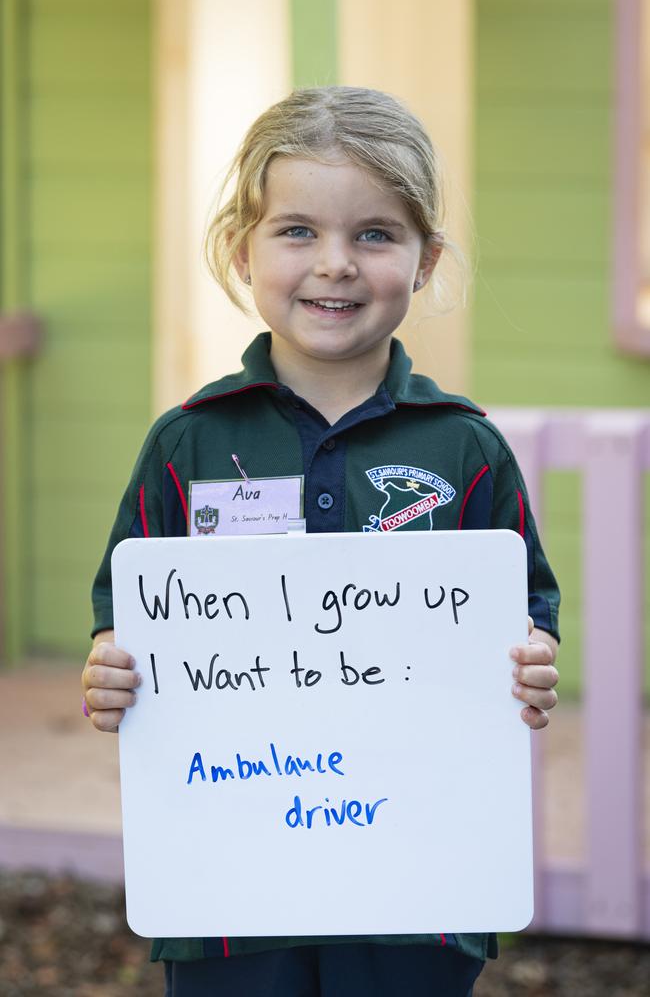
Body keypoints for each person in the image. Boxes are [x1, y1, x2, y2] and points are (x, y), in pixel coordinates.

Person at [82, 86, 560, 997]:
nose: (334, 264)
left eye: (375, 234)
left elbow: (525, 604)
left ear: (426, 262)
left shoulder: (466, 448)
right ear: (241, 248)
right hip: (229, 892)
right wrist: (110, 667)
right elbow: (124, 615)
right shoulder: (186, 442)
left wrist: (533, 657)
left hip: (418, 890)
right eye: (296, 231)